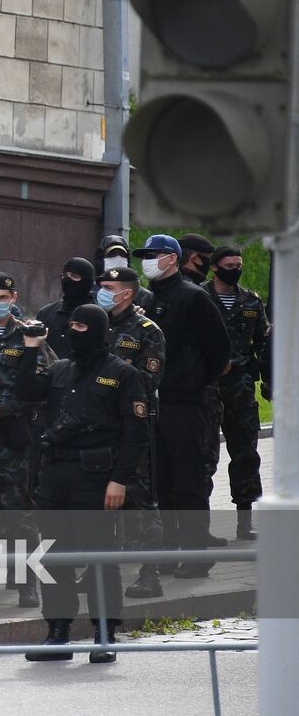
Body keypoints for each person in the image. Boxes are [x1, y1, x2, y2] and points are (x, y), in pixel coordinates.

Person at [17, 304, 149, 664]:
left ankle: (104, 633)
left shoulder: (122, 374)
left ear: (98, 330)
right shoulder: (60, 368)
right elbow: (27, 391)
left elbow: (137, 435)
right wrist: (30, 349)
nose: (74, 331)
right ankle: (58, 632)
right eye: (71, 325)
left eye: (81, 326)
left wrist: (119, 479)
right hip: (56, 474)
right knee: (54, 555)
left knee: (99, 557)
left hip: (97, 476)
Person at [133, 234, 230, 577]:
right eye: (145, 255)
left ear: (172, 258)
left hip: (184, 402)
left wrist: (194, 380)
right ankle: (168, 551)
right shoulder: (145, 298)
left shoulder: (193, 296)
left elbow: (219, 349)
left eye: (154, 255)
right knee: (160, 483)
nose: (148, 261)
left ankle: (196, 555)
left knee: (188, 482)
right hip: (152, 403)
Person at [0, 272, 52, 609]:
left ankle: (26, 583)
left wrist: (1, 410)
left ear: (14, 298)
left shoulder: (28, 336)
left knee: (19, 513)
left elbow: (43, 385)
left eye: (3, 298)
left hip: (11, 436)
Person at [94, 265, 168, 599]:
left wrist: (107, 387)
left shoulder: (147, 331)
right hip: (96, 426)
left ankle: (150, 574)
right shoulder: (96, 324)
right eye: (101, 286)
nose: (102, 292)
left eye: (109, 288)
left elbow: (148, 380)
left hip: (131, 424)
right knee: (97, 501)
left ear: (127, 293)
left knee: (140, 500)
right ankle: (97, 570)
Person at [202, 246, 269, 541]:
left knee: (245, 453)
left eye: (238, 265)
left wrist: (267, 380)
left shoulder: (251, 301)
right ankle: (200, 526)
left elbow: (263, 344)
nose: (235, 270)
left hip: (241, 386)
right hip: (208, 385)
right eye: (229, 265)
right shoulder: (200, 297)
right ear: (215, 267)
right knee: (204, 455)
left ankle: (245, 519)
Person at [36, 258, 97, 359]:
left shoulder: (96, 316)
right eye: (65, 275)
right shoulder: (46, 312)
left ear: (87, 282)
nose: (67, 280)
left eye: (75, 276)